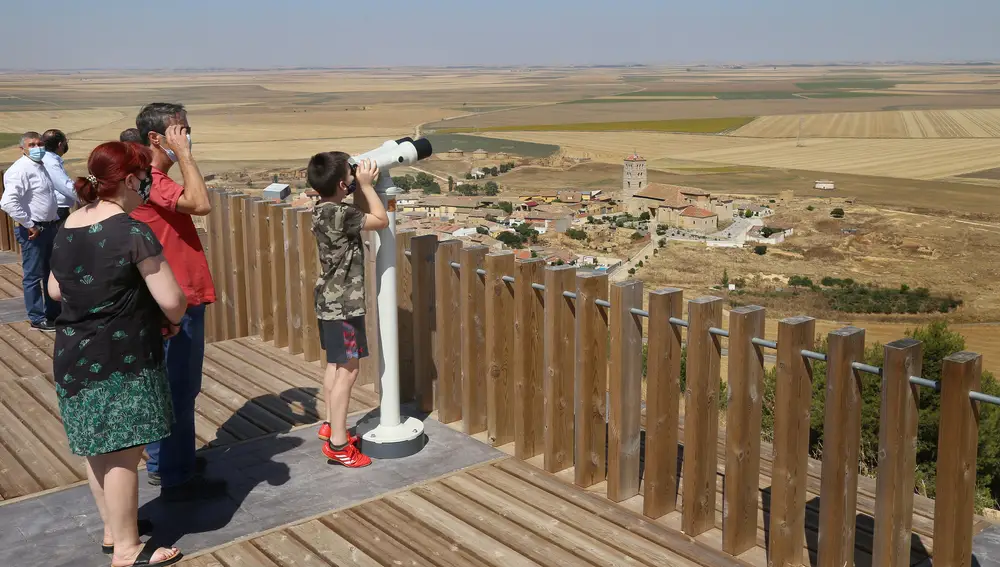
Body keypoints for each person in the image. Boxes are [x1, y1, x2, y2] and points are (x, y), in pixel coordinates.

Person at [48, 141, 186, 567]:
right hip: (123, 356)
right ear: (129, 179)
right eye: (143, 176)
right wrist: (174, 320)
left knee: (97, 450)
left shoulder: (69, 223)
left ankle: (113, 531)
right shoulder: (132, 230)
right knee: (125, 452)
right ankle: (128, 551)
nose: (146, 183)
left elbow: (53, 290)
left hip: (73, 354)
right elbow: (173, 299)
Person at [132, 102, 223, 499]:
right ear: (156, 138)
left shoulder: (143, 179)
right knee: (179, 390)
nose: (188, 136)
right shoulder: (151, 180)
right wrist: (185, 156)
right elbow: (200, 203)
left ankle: (166, 461)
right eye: (181, 130)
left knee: (170, 386)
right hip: (177, 302)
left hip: (171, 298)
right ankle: (176, 475)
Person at [306, 151, 388, 468]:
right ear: (343, 184)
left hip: (328, 301)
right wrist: (367, 185)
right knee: (348, 371)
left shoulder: (323, 210)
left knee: (334, 367)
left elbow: (347, 206)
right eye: (350, 177)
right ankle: (339, 443)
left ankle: (330, 424)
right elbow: (379, 220)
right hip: (344, 305)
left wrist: (352, 183)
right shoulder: (342, 215)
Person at [0, 132, 61, 331]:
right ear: (23, 148)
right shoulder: (20, 170)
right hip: (34, 230)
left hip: (49, 227)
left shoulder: (40, 166)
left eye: (40, 144)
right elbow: (8, 202)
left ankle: (54, 313)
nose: (37, 148)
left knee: (51, 273)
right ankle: (37, 317)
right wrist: (29, 224)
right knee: (33, 275)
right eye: (32, 144)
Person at [40, 129, 81, 222]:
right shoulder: (51, 163)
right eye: (65, 142)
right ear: (60, 145)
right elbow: (65, 186)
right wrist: (86, 197)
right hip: (58, 210)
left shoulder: (47, 159)